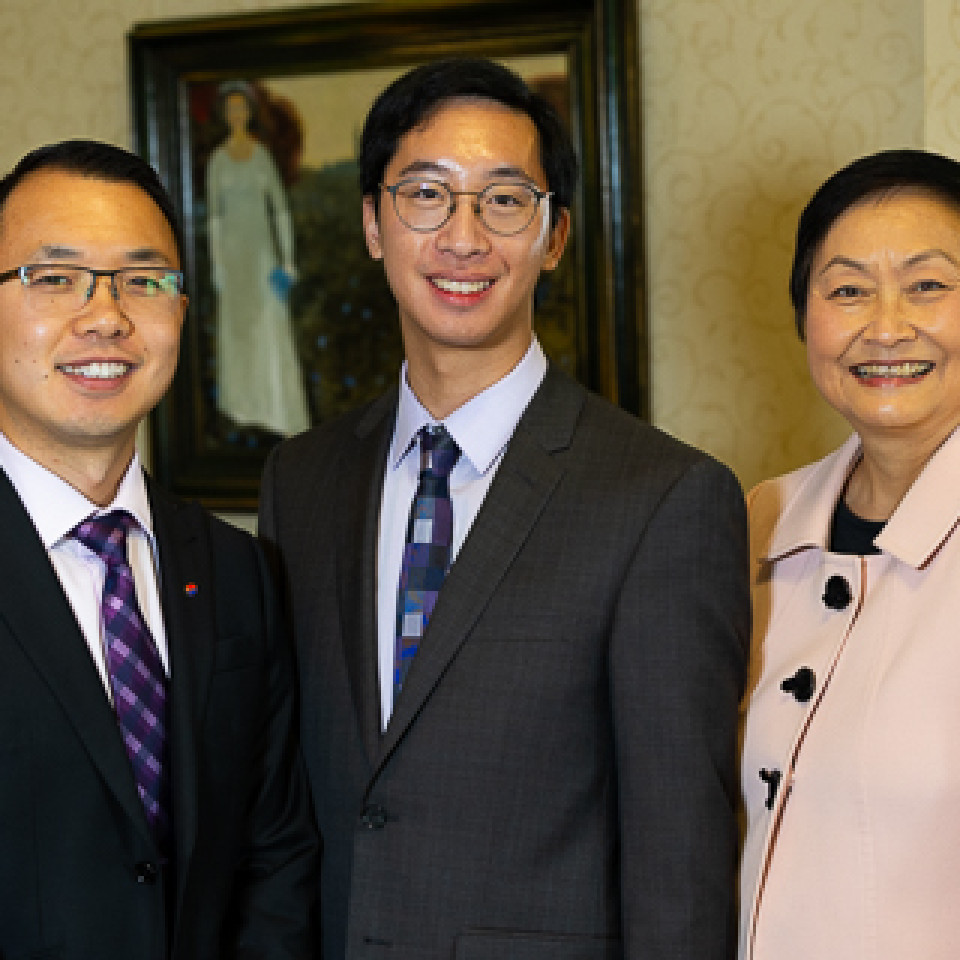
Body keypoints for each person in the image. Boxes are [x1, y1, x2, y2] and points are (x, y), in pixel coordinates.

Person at [259, 58, 749, 959]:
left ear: (554, 234)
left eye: (505, 200)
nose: (463, 237)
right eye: (426, 195)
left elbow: (677, 857)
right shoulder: (302, 481)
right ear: (373, 222)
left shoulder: (665, 499)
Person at [0, 139, 317, 959]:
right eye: (55, 277)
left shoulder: (237, 569)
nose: (105, 316)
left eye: (144, 280)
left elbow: (274, 854)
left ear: (181, 309)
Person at [739, 149, 960, 959]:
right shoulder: (762, 519)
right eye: (847, 289)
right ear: (806, 318)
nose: (887, 325)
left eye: (929, 284)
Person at [207, 80, 311, 438]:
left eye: (242, 108)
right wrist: (218, 265)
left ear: (250, 113)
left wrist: (287, 260)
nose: (236, 114)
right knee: (238, 331)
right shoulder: (219, 161)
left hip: (261, 256)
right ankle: (243, 406)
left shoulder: (261, 156)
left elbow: (279, 209)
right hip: (234, 261)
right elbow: (215, 218)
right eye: (230, 108)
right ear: (225, 114)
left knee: (269, 326)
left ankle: (277, 410)